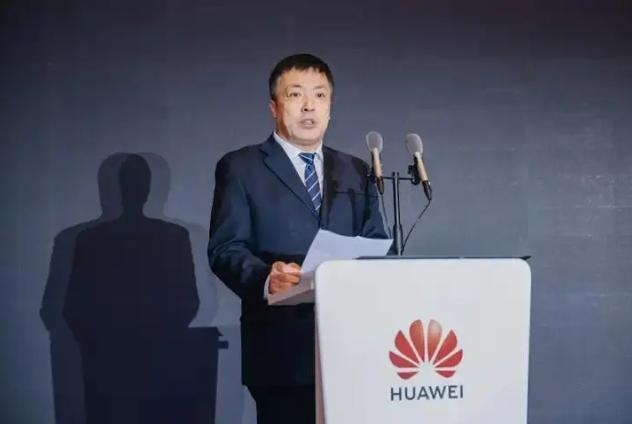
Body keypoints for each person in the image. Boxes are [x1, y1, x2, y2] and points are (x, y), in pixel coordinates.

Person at [207, 53, 390, 424]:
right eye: (296, 95)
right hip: (281, 350)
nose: (309, 106)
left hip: (351, 347)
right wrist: (266, 278)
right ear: (274, 107)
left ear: (330, 107)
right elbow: (226, 248)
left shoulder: (357, 170)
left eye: (320, 95)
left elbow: (376, 242)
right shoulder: (242, 167)